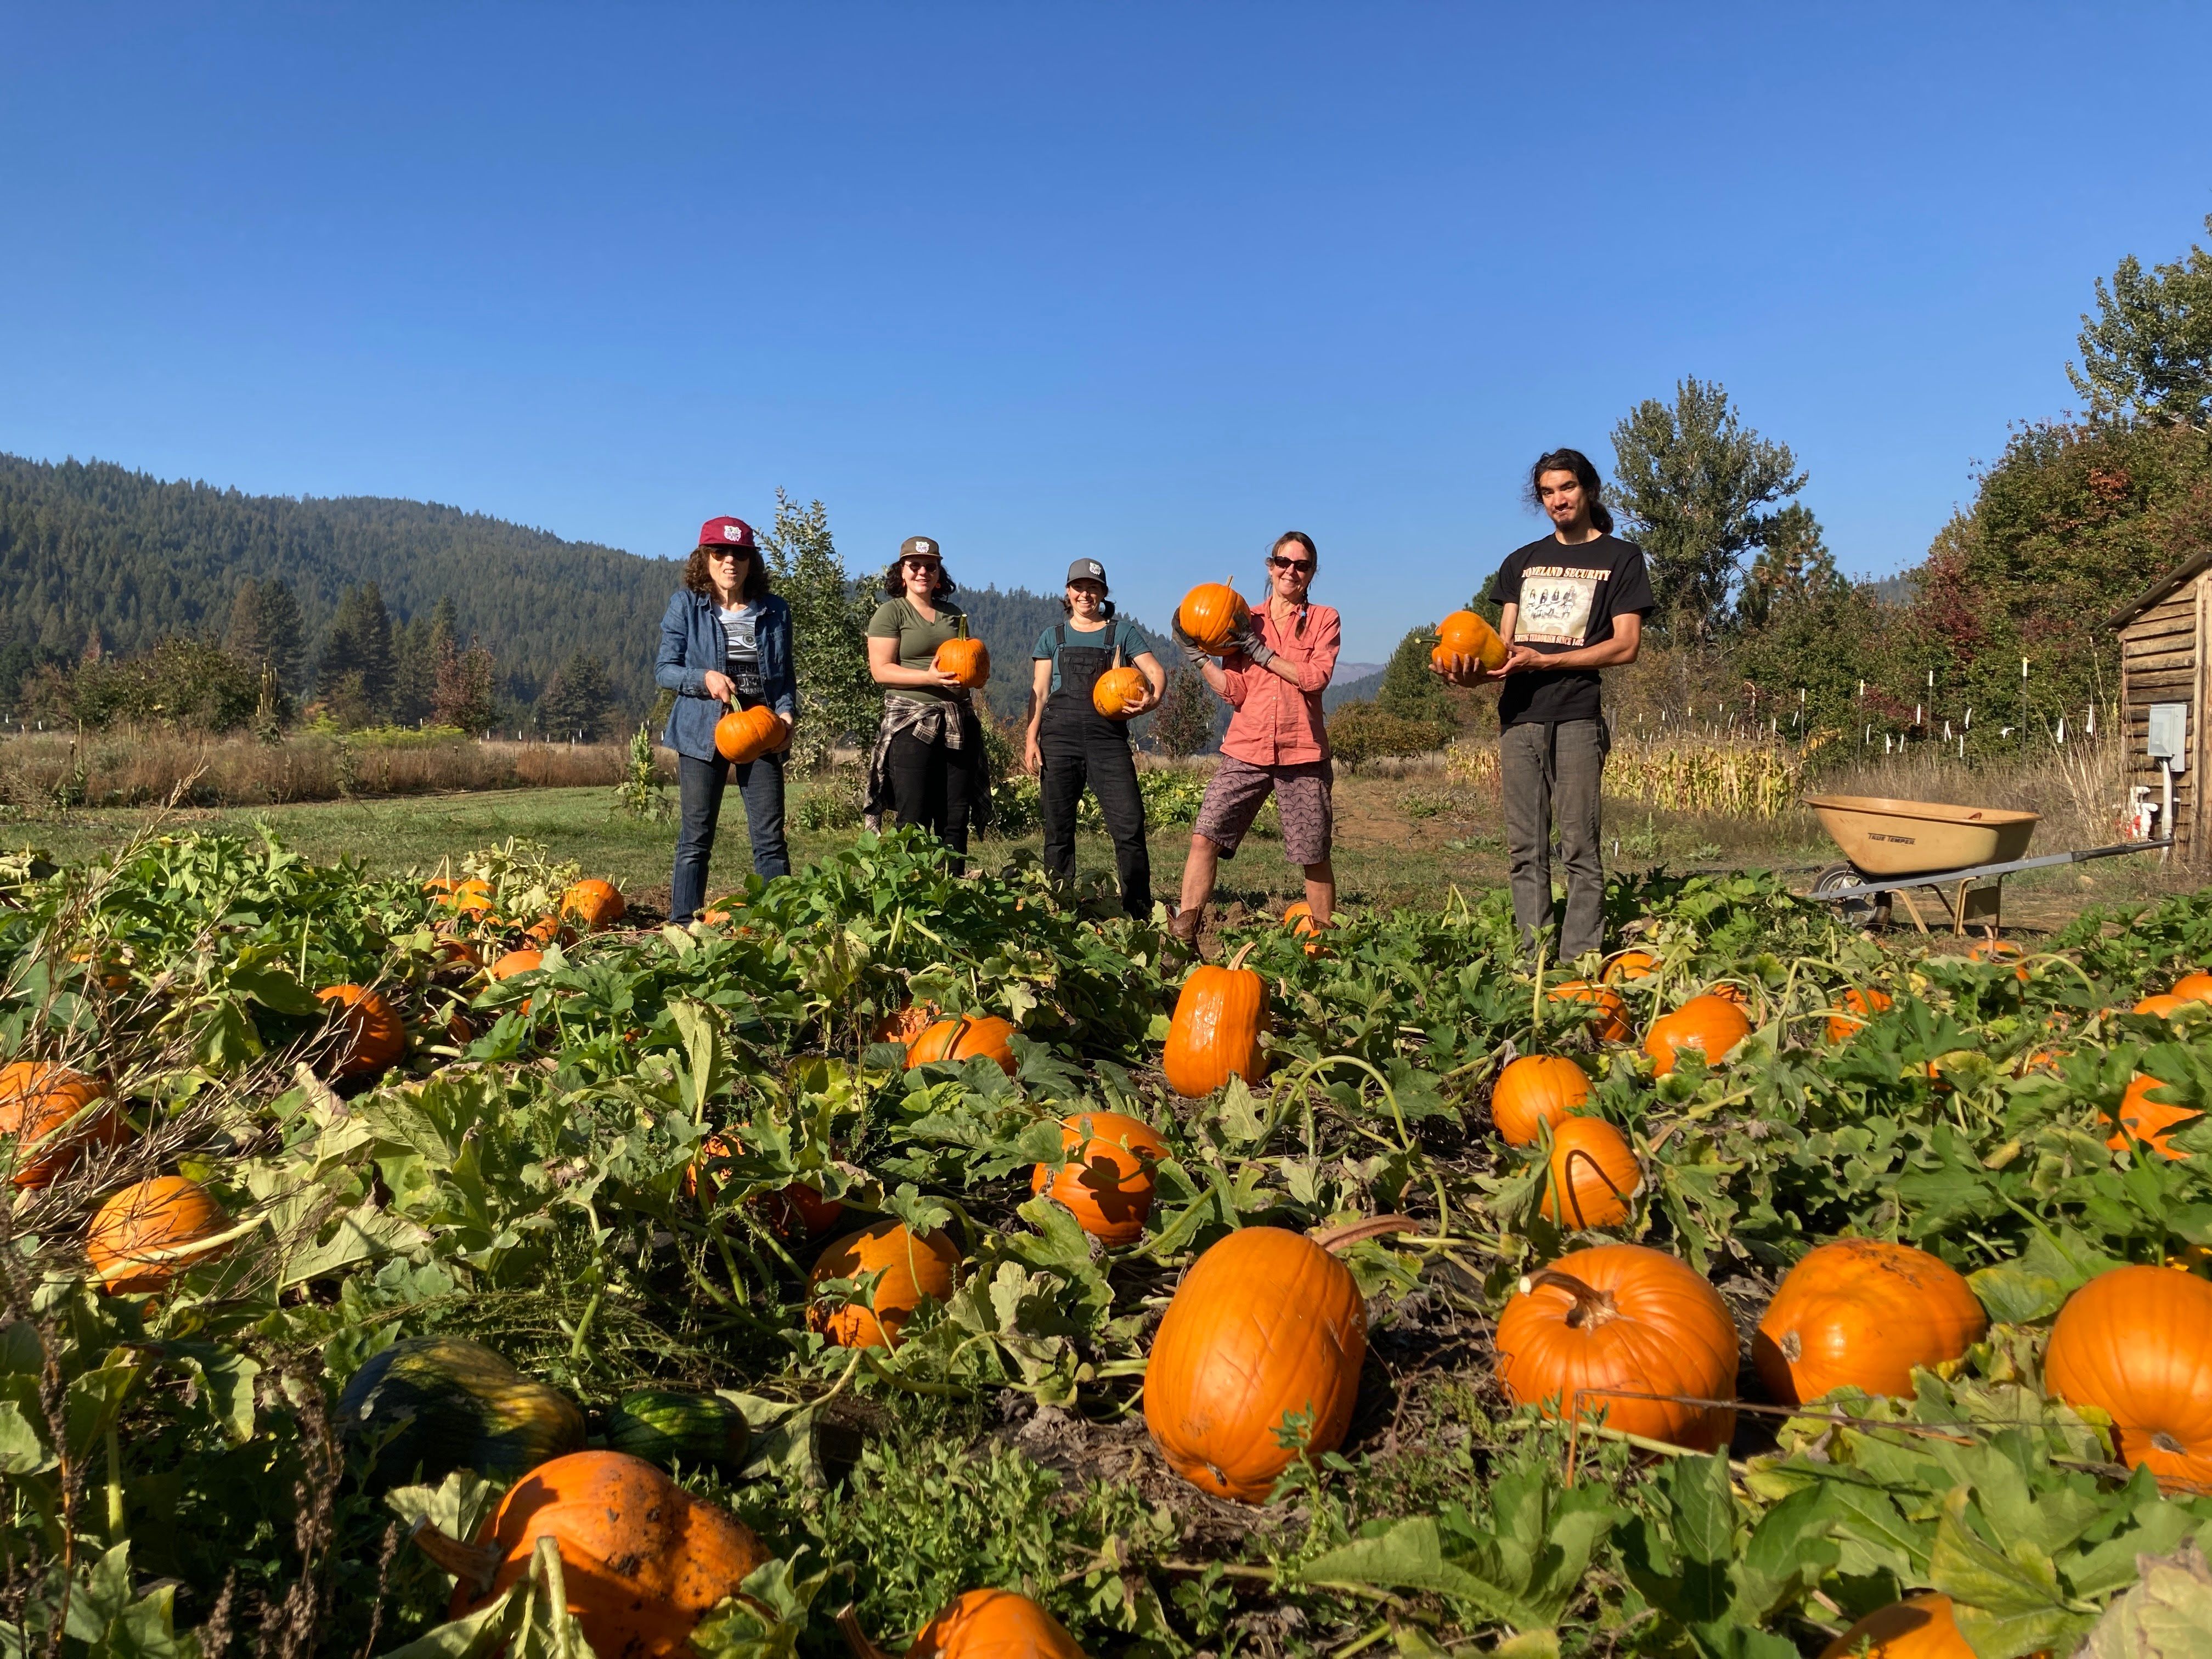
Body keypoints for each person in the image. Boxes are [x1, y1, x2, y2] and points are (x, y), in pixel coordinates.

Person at [1437, 448, 1651, 962]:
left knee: (1579, 846)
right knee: (1524, 849)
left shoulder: (1620, 559)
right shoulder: (1521, 562)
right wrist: (1459, 672)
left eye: (1567, 488)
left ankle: (1578, 962)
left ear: (1588, 489)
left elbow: (1627, 645)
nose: (1558, 499)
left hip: (1577, 714)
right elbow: (1501, 651)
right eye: (1548, 492)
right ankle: (1532, 960)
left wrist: (1549, 662)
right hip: (1519, 718)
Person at [1168, 532, 1340, 953]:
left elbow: (1315, 678)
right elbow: (1236, 692)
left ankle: (1323, 948)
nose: (1291, 571)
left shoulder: (1324, 618)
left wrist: (1259, 652)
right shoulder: (1244, 618)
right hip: (1247, 747)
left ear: (1312, 573)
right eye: (1283, 562)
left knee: (1312, 851)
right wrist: (1199, 658)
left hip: (1302, 750)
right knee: (1205, 834)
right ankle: (1184, 937)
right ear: (1270, 566)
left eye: (1301, 565)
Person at [656, 514, 798, 922]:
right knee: (696, 838)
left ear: (751, 561)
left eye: (739, 554)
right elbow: (664, 669)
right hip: (702, 730)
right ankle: (683, 924)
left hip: (763, 729)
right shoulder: (686, 605)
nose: (729, 562)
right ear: (705, 558)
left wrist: (787, 714)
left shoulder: (775, 610)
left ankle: (781, 925)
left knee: (770, 840)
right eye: (720, 553)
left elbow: (784, 675)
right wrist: (704, 678)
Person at [1022, 557, 1166, 915]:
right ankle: (1059, 907)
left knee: (1129, 825)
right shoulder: (1051, 637)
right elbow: (1039, 692)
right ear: (1068, 592)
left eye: (1093, 588)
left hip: (1108, 741)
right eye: (1079, 587)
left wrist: (1152, 700)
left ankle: (1138, 909)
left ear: (1103, 593)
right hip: (1058, 738)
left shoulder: (1122, 634)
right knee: (1058, 829)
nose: (1085, 594)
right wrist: (1031, 737)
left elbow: (1156, 673)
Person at [865, 535, 991, 853]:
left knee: (954, 814)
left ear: (939, 573)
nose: (923, 572)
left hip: (957, 720)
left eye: (930, 566)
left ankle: (953, 887)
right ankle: (913, 892)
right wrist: (930, 677)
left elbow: (969, 659)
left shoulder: (954, 614)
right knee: (914, 814)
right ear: (902, 571)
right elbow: (881, 670)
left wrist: (976, 678)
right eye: (915, 566)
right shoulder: (891, 613)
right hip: (912, 722)